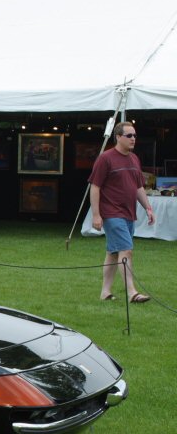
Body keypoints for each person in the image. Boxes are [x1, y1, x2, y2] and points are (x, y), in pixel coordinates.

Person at [89, 121, 156, 303]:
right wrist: (96, 215)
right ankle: (132, 292)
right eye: (129, 135)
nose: (133, 139)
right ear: (118, 137)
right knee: (126, 250)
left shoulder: (134, 159)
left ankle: (105, 292)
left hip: (129, 214)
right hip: (112, 213)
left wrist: (148, 208)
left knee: (113, 252)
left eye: (134, 135)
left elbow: (138, 187)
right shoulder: (106, 158)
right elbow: (95, 187)